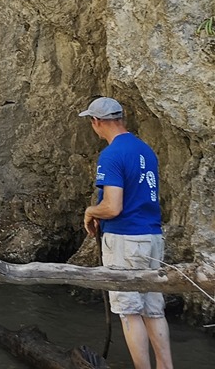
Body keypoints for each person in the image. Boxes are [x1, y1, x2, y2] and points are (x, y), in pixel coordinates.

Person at [80, 97, 174, 369]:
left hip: (125, 240)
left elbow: (112, 206)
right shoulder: (145, 150)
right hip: (153, 237)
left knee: (129, 311)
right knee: (153, 310)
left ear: (97, 122)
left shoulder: (111, 155)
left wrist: (91, 212)